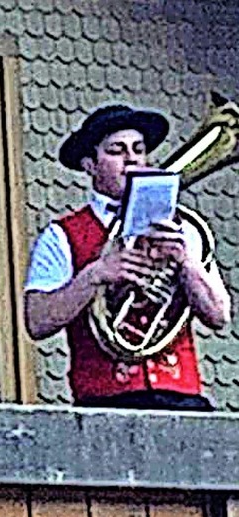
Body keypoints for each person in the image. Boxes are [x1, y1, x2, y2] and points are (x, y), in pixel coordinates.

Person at [24, 104, 232, 410]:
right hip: (106, 401)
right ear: (89, 165)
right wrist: (95, 274)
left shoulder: (182, 227)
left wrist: (187, 263)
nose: (132, 158)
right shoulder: (61, 235)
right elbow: (37, 320)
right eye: (116, 150)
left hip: (183, 397)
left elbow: (219, 316)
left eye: (138, 149)